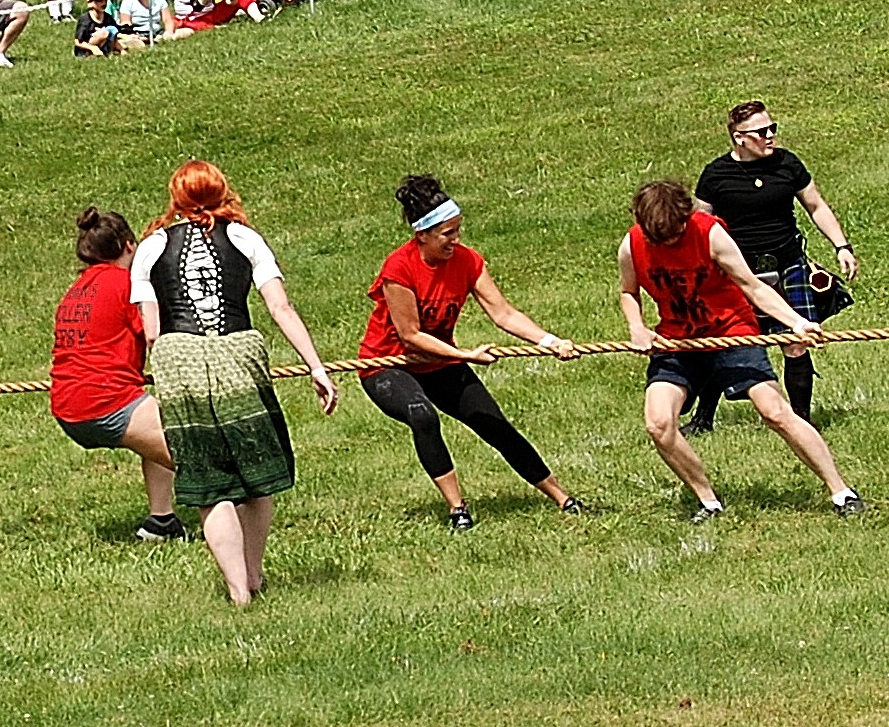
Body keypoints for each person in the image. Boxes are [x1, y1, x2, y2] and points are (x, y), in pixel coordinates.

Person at [130, 161, 338, 604]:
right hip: (239, 356)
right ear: (222, 192)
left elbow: (150, 331)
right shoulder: (245, 238)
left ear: (177, 199)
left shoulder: (151, 247)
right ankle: (256, 573)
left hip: (180, 361)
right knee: (257, 474)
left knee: (210, 485)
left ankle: (237, 591)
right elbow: (281, 308)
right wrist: (316, 367)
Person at [619, 180, 861, 520]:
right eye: (661, 238)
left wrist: (796, 322)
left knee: (775, 412)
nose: (670, 242)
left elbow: (752, 286)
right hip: (677, 339)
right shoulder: (632, 245)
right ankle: (708, 501)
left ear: (686, 218)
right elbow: (629, 292)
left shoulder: (710, 234)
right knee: (658, 424)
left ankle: (842, 493)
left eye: (675, 234)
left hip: (731, 331)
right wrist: (636, 327)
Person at [358, 175, 584, 529]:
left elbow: (504, 313)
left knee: (493, 423)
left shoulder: (468, 261)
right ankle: (457, 508)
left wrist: (549, 341)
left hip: (441, 361)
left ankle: (562, 497)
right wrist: (465, 355)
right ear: (422, 235)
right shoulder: (399, 268)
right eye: (448, 234)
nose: (456, 240)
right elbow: (410, 335)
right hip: (389, 365)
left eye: (458, 230)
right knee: (422, 415)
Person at [683, 100, 857, 432]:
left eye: (772, 128)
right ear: (739, 138)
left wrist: (842, 246)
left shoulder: (788, 164)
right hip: (738, 271)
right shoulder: (716, 175)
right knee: (725, 341)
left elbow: (816, 205)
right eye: (761, 131)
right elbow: (699, 226)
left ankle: (802, 421)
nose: (770, 135)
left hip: (788, 262)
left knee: (796, 339)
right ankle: (703, 419)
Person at [53, 207, 182, 539]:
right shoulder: (127, 284)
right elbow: (156, 332)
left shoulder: (76, 289)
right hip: (108, 401)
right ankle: (240, 518)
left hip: (69, 408)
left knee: (156, 426)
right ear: (129, 246)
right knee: (197, 450)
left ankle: (161, 521)